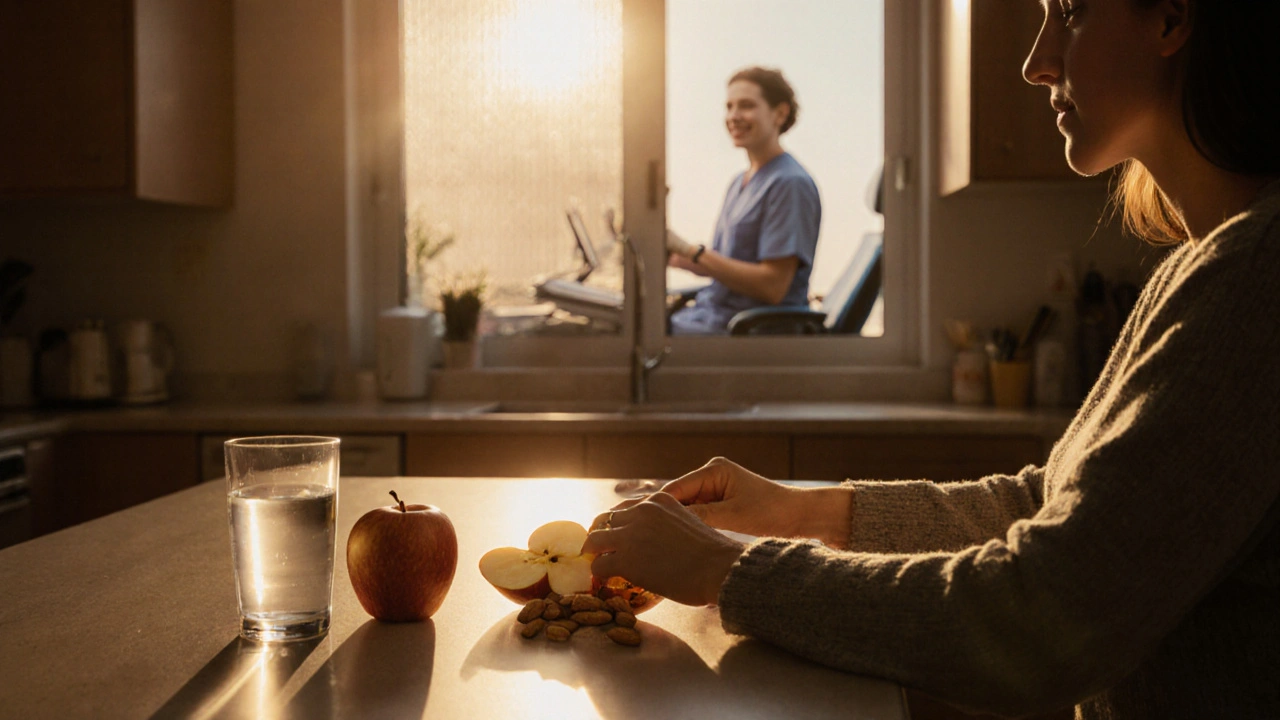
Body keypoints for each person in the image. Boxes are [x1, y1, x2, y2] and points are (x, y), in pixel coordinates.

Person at [583, 0, 1280, 717]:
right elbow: (1047, 507)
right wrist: (797, 510)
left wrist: (724, 568)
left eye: (1068, 11)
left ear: (1171, 17)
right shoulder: (1203, 264)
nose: (1035, 62)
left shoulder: (1257, 278)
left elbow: (1042, 620)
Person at [667, 66, 822, 335]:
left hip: (745, 333)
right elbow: (725, 266)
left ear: (780, 113)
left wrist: (691, 250)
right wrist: (671, 253)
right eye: (729, 107)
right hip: (711, 316)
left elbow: (772, 287)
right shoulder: (740, 182)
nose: (733, 117)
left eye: (746, 106)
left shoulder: (789, 184)